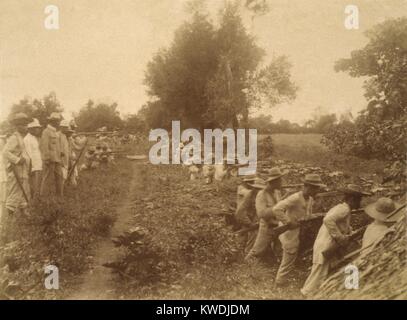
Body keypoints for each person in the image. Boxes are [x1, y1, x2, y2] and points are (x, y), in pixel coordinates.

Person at [301, 184, 370, 297]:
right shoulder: (344, 209)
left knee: (322, 271)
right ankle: (306, 294)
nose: (360, 203)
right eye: (358, 200)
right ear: (352, 199)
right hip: (326, 244)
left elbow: (341, 225)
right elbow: (328, 220)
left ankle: (313, 293)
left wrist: (350, 232)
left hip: (327, 243)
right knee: (319, 273)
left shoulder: (343, 208)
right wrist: (340, 237)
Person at [272, 173, 326, 287]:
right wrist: (287, 221)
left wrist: (319, 215)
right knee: (290, 255)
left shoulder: (310, 199)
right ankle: (280, 282)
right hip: (289, 231)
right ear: (308, 186)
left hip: (296, 230)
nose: (317, 191)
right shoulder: (296, 197)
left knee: (289, 255)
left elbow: (307, 216)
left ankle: (280, 279)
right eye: (315, 188)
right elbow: (277, 209)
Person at [245, 168, 286, 261]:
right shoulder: (262, 194)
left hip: (278, 226)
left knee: (280, 250)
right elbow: (261, 214)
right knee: (256, 251)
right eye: (280, 180)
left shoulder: (277, 192)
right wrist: (278, 207)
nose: (282, 182)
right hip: (267, 227)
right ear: (274, 182)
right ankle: (245, 268)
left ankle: (278, 269)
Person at [2, 113, 31, 216]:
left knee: (23, 191)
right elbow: (5, 152)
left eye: (26, 125)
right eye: (22, 125)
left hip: (22, 170)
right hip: (16, 170)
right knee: (15, 192)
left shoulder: (21, 138)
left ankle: (24, 213)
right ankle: (8, 216)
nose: (25, 127)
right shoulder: (14, 137)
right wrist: (17, 160)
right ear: (17, 126)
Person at [235, 176, 264, 253]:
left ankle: (243, 254)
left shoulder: (260, 195)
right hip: (248, 219)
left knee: (248, 238)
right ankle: (246, 257)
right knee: (249, 237)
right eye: (257, 188)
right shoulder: (249, 194)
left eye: (260, 189)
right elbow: (239, 212)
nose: (259, 190)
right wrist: (250, 223)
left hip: (254, 219)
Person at [40, 112, 64, 198]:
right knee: (47, 178)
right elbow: (44, 146)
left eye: (58, 121)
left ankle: (59, 196)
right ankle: (43, 197)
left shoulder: (55, 132)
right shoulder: (46, 132)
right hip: (50, 159)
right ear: (52, 121)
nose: (58, 123)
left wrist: (60, 152)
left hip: (57, 159)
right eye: (56, 121)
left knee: (59, 177)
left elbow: (56, 146)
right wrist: (46, 159)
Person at [23, 118, 43, 199]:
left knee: (37, 185)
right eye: (36, 128)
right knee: (33, 185)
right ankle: (32, 201)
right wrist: (30, 168)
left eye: (38, 128)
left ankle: (36, 200)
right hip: (33, 167)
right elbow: (28, 154)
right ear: (31, 129)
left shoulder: (34, 138)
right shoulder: (27, 139)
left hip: (38, 165)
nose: (38, 130)